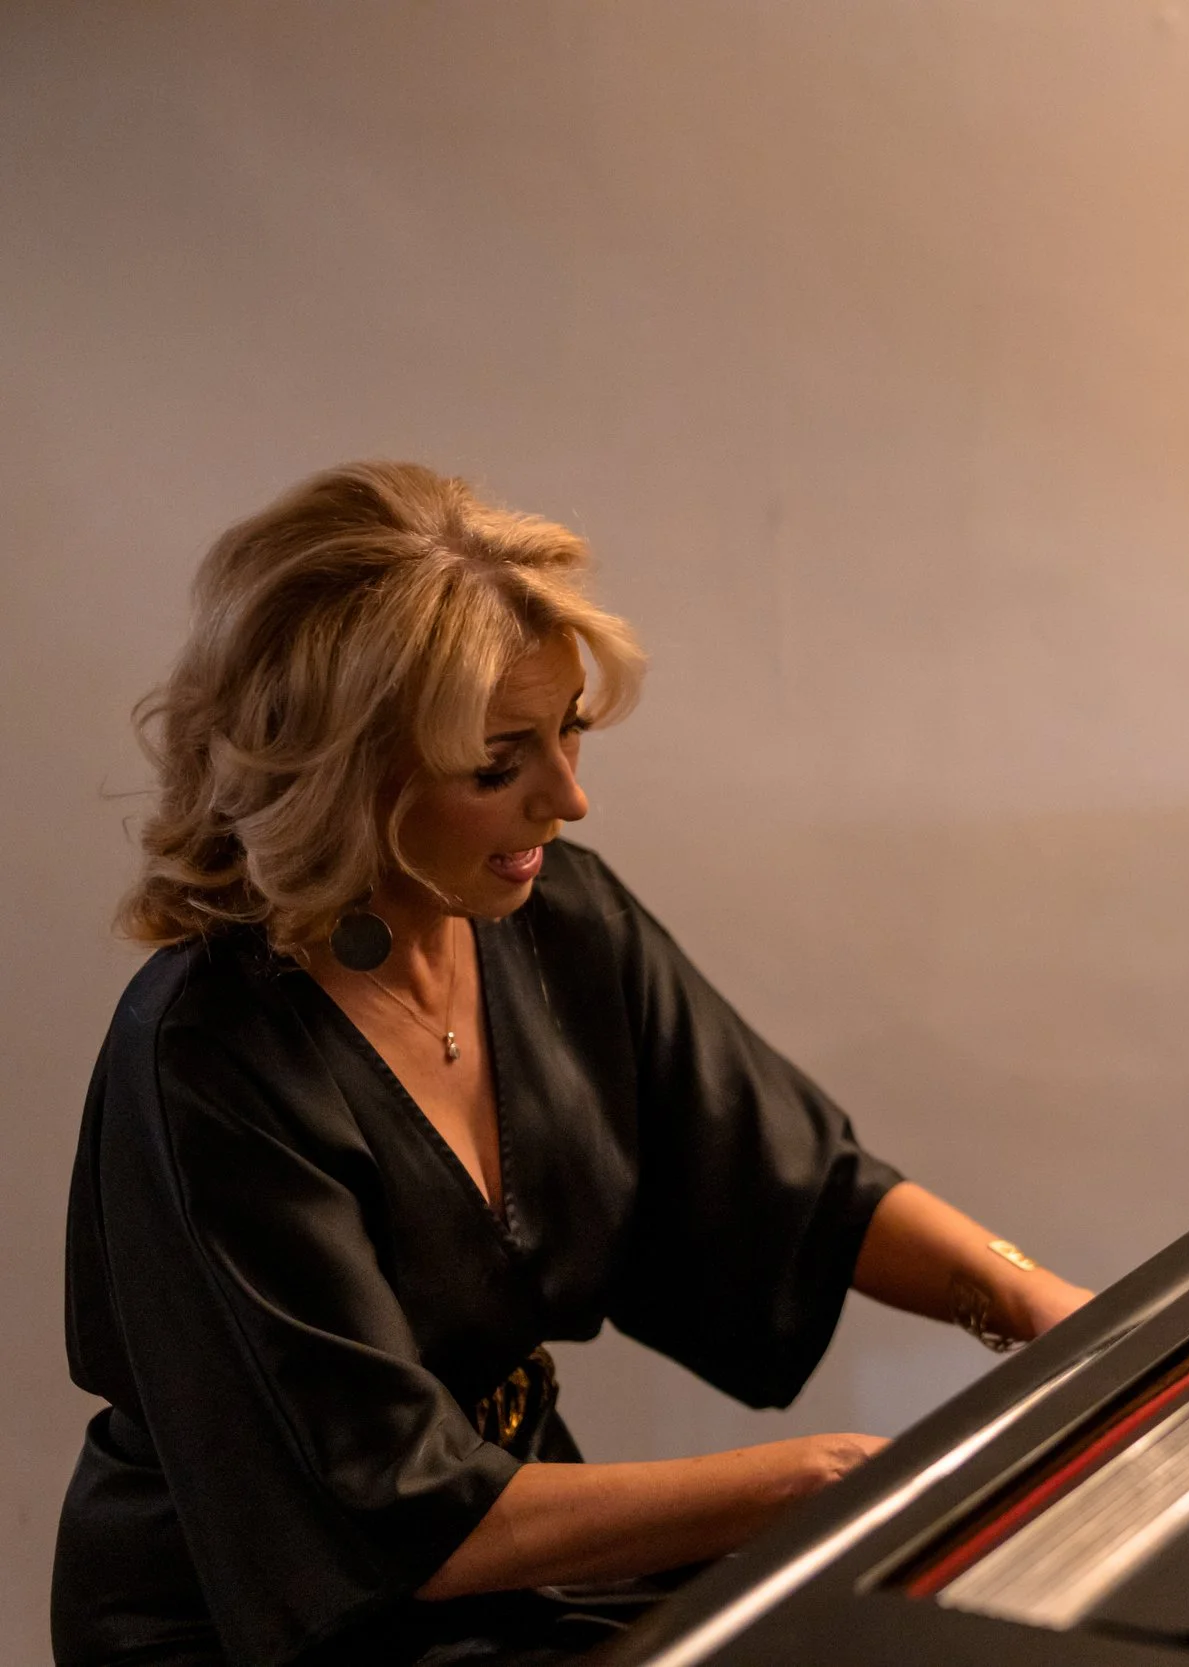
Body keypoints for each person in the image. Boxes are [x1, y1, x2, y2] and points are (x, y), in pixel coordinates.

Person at [53, 463, 1092, 1667]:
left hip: (499, 1552)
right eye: (500, 765)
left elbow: (801, 1187)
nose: (572, 799)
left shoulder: (556, 922)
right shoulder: (209, 1056)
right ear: (346, 774)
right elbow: (398, 1512)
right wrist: (821, 1478)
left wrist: (1037, 1305)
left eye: (569, 733)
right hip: (268, 1615)